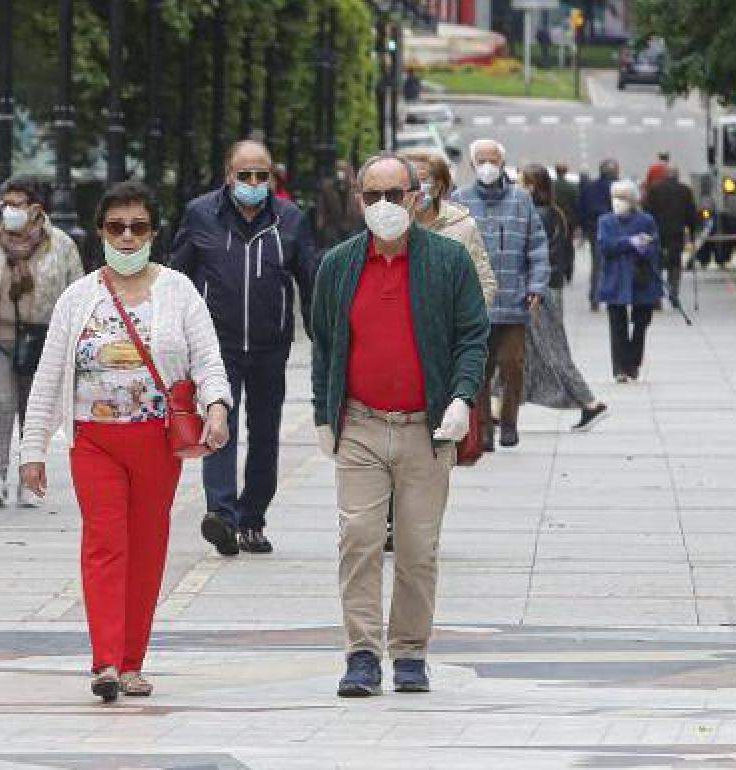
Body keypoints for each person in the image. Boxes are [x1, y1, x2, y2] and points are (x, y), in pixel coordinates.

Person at [19, 181, 232, 702]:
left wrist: (218, 408)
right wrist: (32, 449)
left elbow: (207, 359)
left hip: (158, 441)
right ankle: (106, 661)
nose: (129, 236)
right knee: (104, 543)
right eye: (117, 227)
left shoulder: (179, 290)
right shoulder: (79, 296)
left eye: (139, 226)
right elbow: (48, 376)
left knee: (147, 546)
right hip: (94, 441)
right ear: (100, 233)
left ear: (154, 232)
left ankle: (134, 660)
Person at [311, 152, 488, 697]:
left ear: (417, 197)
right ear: (358, 201)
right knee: (359, 539)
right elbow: (324, 344)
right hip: (361, 423)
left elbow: (472, 336)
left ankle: (410, 653)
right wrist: (324, 413)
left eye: (395, 194)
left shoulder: (447, 261)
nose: (384, 205)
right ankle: (362, 654)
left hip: (426, 428)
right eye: (372, 196)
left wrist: (461, 399)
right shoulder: (338, 265)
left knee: (416, 547)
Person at [170, 139, 317, 556]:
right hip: (217, 344)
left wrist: (321, 333)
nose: (254, 183)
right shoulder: (201, 214)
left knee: (265, 433)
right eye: (245, 175)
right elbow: (178, 276)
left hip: (271, 345)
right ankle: (221, 515)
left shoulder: (289, 219)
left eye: (262, 176)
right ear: (229, 176)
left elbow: (309, 278)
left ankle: (253, 518)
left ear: (272, 178)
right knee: (219, 427)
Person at [0, 177, 83, 508]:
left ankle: (28, 480)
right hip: (0, 339)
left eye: (17, 204)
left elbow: (78, 291)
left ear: (35, 209)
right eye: (5, 204)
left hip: (42, 342)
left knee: (32, 410)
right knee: (3, 404)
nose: (9, 210)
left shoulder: (61, 245)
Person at [452, 139, 550, 451]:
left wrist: (537, 286)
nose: (487, 166)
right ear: (472, 164)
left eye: (492, 160)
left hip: (513, 301)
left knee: (512, 364)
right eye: (481, 160)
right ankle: (482, 430)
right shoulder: (460, 200)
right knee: (478, 370)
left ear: (502, 163)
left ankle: (508, 422)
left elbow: (537, 246)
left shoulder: (522, 200)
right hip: (475, 305)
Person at [517, 165, 610, 431]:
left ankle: (591, 403)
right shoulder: (553, 213)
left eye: (522, 183)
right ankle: (503, 408)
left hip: (540, 290)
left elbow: (530, 254)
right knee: (525, 351)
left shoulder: (539, 215)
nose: (517, 189)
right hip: (547, 286)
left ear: (533, 186)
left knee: (552, 350)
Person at [402, 150, 497, 306]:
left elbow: (484, 282)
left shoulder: (463, 226)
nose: (415, 190)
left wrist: (467, 323)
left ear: (438, 187)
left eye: (422, 180)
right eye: (407, 184)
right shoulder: (393, 227)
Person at [598, 180, 663, 383]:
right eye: (615, 198)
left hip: (640, 278)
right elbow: (606, 246)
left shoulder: (646, 220)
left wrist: (645, 246)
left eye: (623, 198)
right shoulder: (606, 221)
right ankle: (620, 367)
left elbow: (655, 246)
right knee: (617, 323)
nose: (618, 202)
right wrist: (630, 242)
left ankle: (633, 361)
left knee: (641, 322)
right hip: (615, 278)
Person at [642, 166, 700, 303]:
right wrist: (692, 231)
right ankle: (674, 293)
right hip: (676, 233)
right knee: (675, 264)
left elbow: (647, 211)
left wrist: (645, 230)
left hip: (657, 233)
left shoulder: (655, 189)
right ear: (677, 176)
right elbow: (691, 213)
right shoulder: (685, 190)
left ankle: (656, 297)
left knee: (657, 263)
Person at [579, 159, 619, 312]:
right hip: (613, 229)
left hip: (593, 228)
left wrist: (584, 227)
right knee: (613, 264)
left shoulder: (590, 187)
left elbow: (582, 207)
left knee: (597, 264)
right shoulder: (616, 187)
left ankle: (595, 297)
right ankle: (611, 296)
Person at [314, 161, 362, 251]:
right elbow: (322, 208)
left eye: (343, 170)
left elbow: (357, 207)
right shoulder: (327, 187)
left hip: (351, 227)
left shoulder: (353, 187)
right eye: (339, 169)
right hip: (333, 227)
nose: (341, 173)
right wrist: (320, 224)